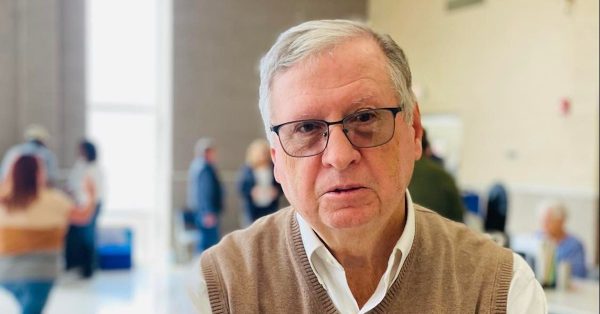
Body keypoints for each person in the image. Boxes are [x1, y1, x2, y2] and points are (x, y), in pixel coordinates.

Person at [190, 20, 545, 313]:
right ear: (277, 159)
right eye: (307, 128)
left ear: (414, 131)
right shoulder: (218, 288)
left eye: (365, 117)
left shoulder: (501, 289)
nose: (339, 156)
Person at [0, 155, 94, 314]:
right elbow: (83, 216)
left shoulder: (4, 199)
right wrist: (91, 195)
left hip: (5, 273)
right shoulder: (55, 200)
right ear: (38, 173)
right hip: (41, 272)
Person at [64, 140, 105, 279]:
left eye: (82, 150)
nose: (79, 153)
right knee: (78, 237)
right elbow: (72, 183)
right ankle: (78, 265)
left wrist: (86, 204)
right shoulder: (80, 166)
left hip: (91, 205)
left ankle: (89, 268)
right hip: (78, 205)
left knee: (88, 237)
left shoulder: (95, 169)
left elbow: (94, 192)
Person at [408, 128, 465, 222]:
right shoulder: (445, 177)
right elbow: (458, 219)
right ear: (427, 149)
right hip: (441, 234)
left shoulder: (394, 176)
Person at [187, 138, 224, 253]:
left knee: (205, 242)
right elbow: (205, 192)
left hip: (202, 211)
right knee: (209, 245)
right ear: (207, 153)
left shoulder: (196, 166)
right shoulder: (204, 169)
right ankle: (204, 269)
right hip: (207, 213)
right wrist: (208, 212)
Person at [237, 138, 282, 226]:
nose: (262, 155)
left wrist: (276, 191)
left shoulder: (273, 167)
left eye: (263, 152)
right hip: (253, 209)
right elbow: (241, 187)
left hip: (270, 207)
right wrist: (251, 191)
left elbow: (280, 184)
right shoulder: (247, 169)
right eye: (260, 153)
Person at [538, 200, 587, 278]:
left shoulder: (574, 245)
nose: (544, 224)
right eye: (543, 220)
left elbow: (578, 274)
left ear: (561, 221)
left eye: (548, 220)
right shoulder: (537, 238)